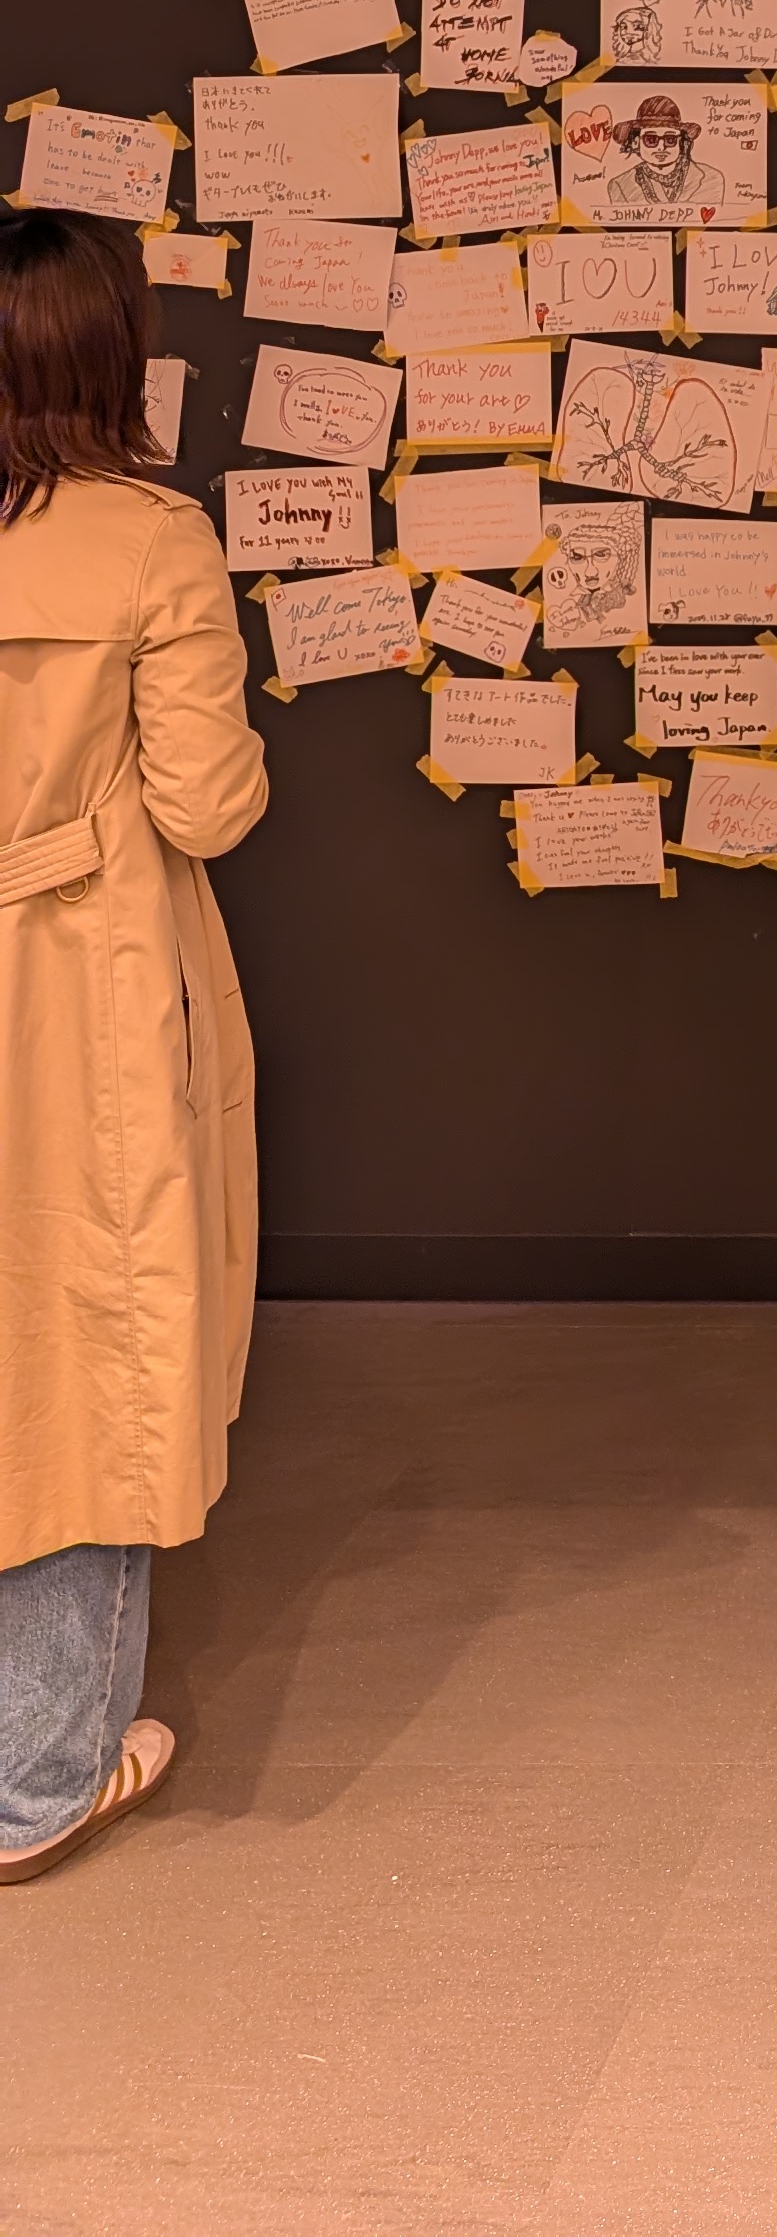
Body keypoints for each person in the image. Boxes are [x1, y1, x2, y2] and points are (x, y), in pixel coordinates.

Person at [0, 213, 269, 1883]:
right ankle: (38, 1777)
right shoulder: (148, 545)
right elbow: (209, 804)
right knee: (90, 1348)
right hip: (71, 984)